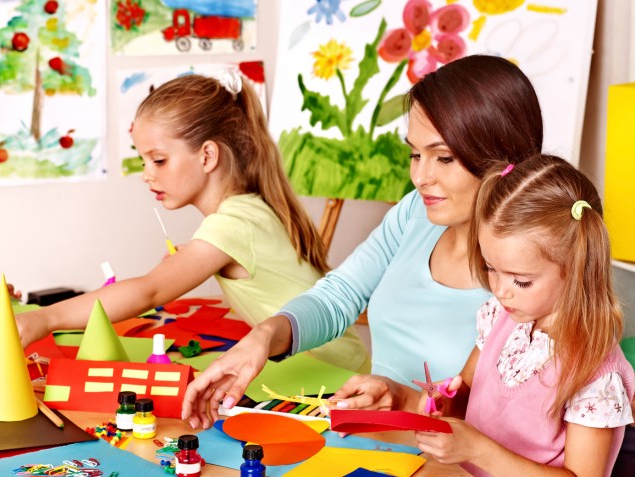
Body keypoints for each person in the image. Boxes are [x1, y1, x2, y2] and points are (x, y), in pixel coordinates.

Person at [182, 54, 545, 429]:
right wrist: (262, 339)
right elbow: (339, 296)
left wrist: (402, 399)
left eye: (444, 158)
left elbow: (511, 424)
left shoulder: (534, 275)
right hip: (377, 442)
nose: (420, 177)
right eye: (415, 154)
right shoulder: (414, 214)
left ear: (504, 156)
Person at [16, 72, 369, 373]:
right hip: (331, 366)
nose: (146, 175)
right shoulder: (246, 211)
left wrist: (45, 319)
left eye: (158, 160)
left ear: (207, 155)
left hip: (333, 377)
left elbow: (149, 291)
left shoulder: (232, 225)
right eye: (144, 161)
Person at [413, 154, 635, 476]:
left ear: (576, 269)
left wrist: (478, 449)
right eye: (491, 268)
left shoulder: (594, 373)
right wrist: (444, 403)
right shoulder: (500, 318)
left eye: (521, 280)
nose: (501, 291)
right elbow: (467, 398)